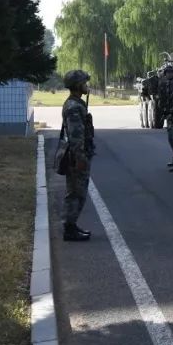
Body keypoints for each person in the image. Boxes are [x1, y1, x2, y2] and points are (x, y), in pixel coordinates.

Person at [61, 69, 95, 242]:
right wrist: (80, 158)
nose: (86, 85)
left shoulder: (76, 103)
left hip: (79, 154)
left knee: (77, 192)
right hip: (77, 157)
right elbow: (75, 136)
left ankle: (72, 226)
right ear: (77, 85)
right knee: (76, 193)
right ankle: (69, 229)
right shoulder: (74, 107)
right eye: (84, 82)